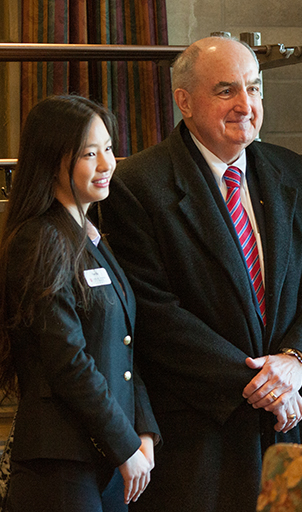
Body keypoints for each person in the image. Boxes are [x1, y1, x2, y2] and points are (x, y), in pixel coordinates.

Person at [97, 36, 302, 512]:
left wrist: (296, 361)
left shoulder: (293, 172)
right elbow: (152, 310)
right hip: (204, 433)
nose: (245, 105)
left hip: (294, 423)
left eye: (254, 89)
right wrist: (260, 384)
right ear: (184, 101)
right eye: (226, 90)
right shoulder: (137, 185)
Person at [0, 95, 159, 511]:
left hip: (107, 455)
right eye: (90, 153)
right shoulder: (41, 238)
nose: (107, 164)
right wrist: (126, 445)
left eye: (108, 148)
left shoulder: (89, 234)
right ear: (52, 160)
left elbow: (124, 345)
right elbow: (67, 359)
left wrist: (143, 431)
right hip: (61, 464)